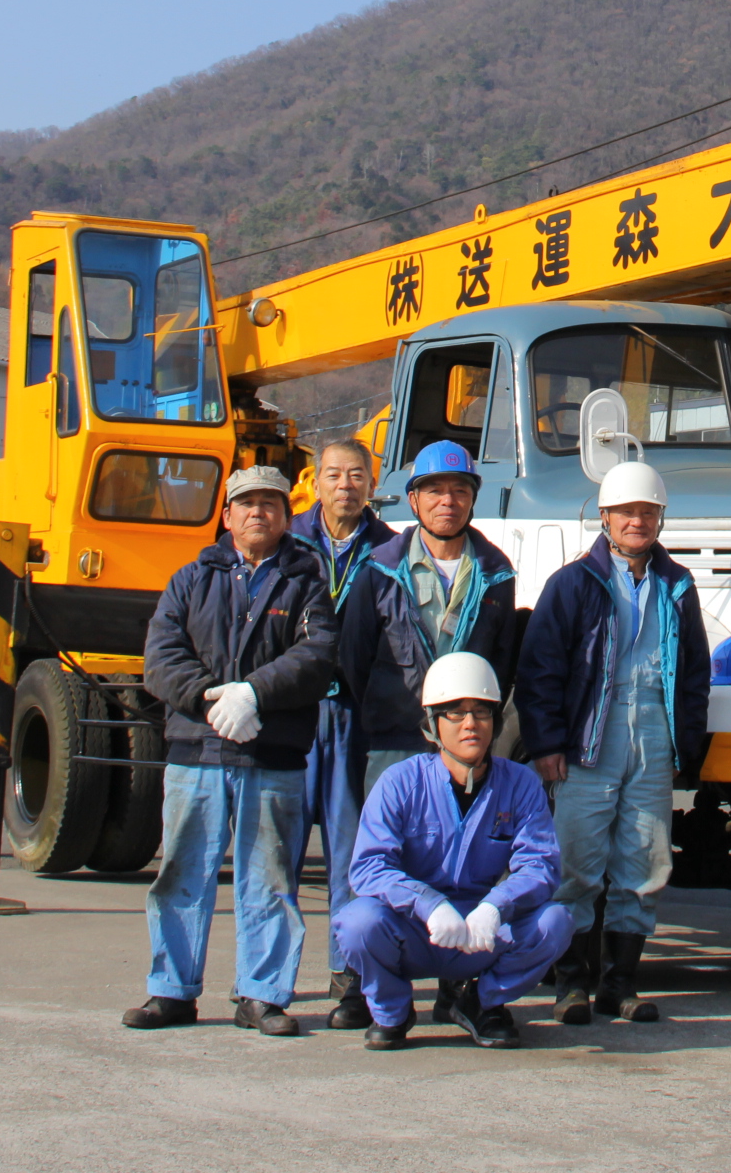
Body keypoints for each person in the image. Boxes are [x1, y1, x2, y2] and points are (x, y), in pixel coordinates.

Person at [123, 465, 340, 1035]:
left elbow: (317, 656)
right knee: (180, 874)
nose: (257, 512)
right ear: (227, 515)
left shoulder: (307, 583)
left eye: (270, 503)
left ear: (287, 516)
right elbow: (160, 656)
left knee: (270, 880)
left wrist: (254, 694)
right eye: (246, 503)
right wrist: (210, 699)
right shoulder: (190, 579)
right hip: (194, 754)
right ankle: (171, 991)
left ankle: (262, 996)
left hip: (273, 758)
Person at [516, 458, 710, 1025]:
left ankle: (620, 985)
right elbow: (539, 671)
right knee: (576, 863)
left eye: (647, 511)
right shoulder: (572, 583)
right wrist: (546, 744)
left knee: (644, 863)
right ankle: (571, 984)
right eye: (626, 511)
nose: (637, 521)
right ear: (605, 517)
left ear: (660, 518)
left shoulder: (678, 585)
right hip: (588, 739)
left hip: (652, 734)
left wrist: (685, 746)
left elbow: (694, 672)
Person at [337, 652, 576, 1049]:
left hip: (481, 932)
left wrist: (495, 906)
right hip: (414, 929)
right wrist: (428, 904)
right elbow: (369, 867)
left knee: (556, 921)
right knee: (357, 922)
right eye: (455, 713)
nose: (470, 724)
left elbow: (541, 865)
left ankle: (480, 1001)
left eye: (481, 712)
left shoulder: (521, 784)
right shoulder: (399, 783)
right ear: (433, 723)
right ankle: (392, 1011)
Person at [287, 438, 397, 1031]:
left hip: (355, 716)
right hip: (292, 713)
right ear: (315, 481)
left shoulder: (390, 550)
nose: (345, 486)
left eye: (356, 475)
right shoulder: (288, 542)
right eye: (333, 475)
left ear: (372, 485)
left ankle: (348, 977)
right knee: (276, 851)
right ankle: (266, 980)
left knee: (351, 852)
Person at [339, 440, 518, 790]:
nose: (448, 501)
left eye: (460, 490)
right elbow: (354, 659)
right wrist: (390, 709)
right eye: (434, 490)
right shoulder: (379, 572)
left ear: (473, 499)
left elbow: (502, 661)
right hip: (395, 742)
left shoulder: (497, 574)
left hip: (467, 745)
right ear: (413, 500)